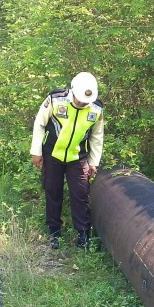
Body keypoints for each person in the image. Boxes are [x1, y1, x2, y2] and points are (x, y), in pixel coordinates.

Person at [30, 72, 105, 249]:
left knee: (80, 195)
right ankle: (54, 232)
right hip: (52, 155)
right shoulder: (55, 99)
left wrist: (94, 162)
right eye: (79, 99)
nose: (82, 103)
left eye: (86, 100)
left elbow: (97, 136)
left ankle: (83, 235)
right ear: (73, 90)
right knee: (53, 192)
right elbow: (39, 124)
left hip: (78, 158)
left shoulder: (96, 109)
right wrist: (36, 152)